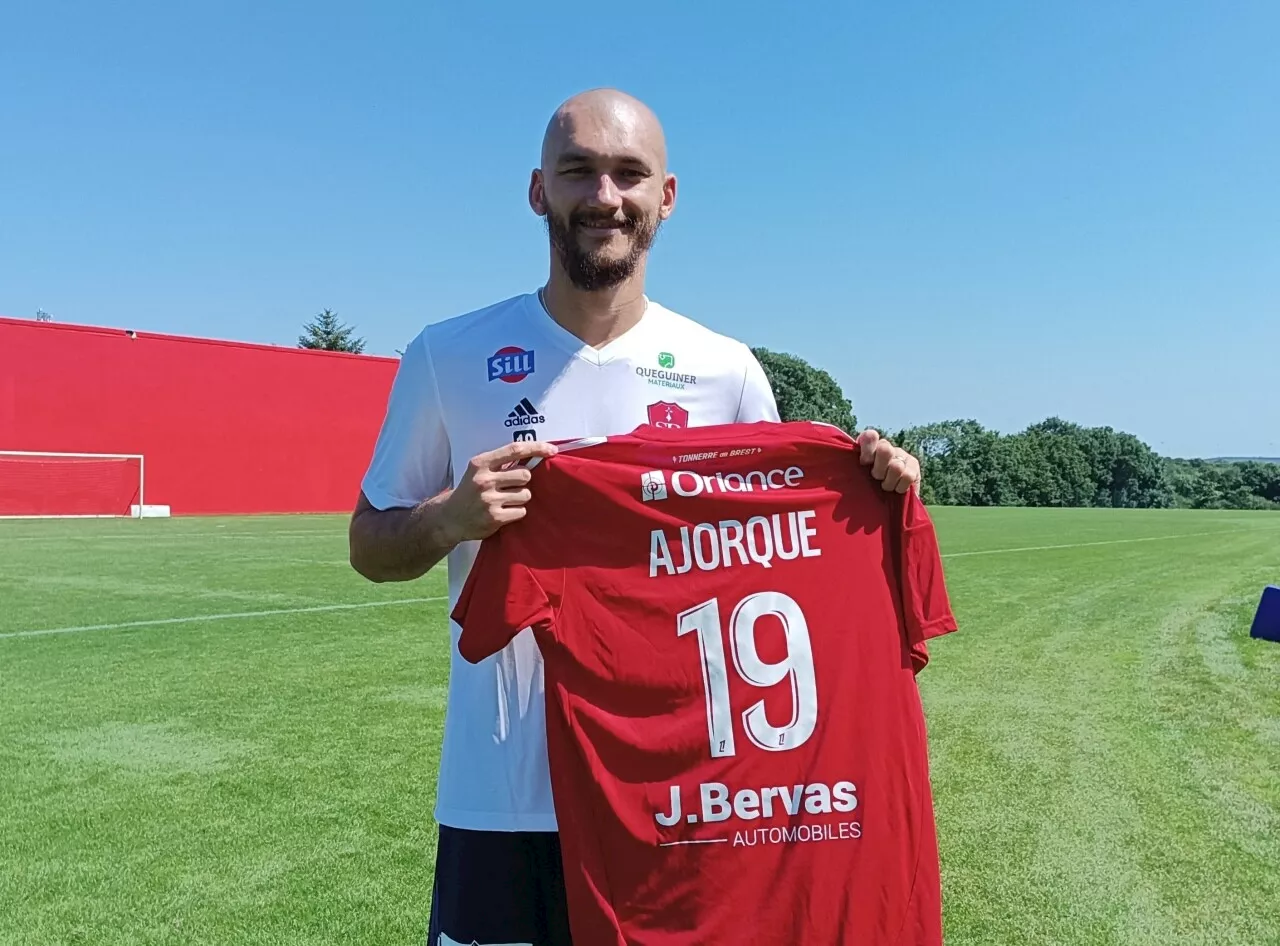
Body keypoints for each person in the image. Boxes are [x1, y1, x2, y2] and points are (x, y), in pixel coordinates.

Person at [349, 87, 922, 946]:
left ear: (667, 196)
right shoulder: (448, 354)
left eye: (629, 174)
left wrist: (874, 491)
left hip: (682, 797)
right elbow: (369, 544)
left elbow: (783, 572)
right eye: (579, 171)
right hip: (503, 793)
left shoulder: (725, 373)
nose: (605, 196)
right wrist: (448, 519)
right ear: (539, 189)